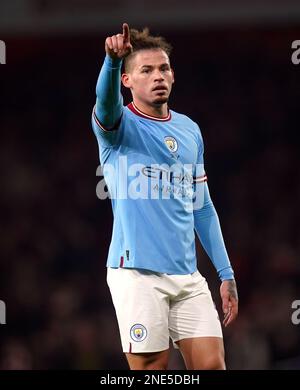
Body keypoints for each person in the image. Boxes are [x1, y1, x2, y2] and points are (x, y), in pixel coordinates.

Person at [91, 23, 238, 370]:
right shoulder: (117, 126)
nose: (158, 75)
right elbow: (105, 100)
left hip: (188, 277)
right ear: (127, 81)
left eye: (164, 68)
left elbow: (202, 207)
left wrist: (225, 272)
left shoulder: (189, 130)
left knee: (213, 367)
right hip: (137, 275)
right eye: (146, 70)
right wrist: (112, 62)